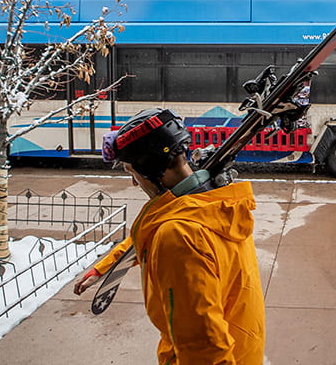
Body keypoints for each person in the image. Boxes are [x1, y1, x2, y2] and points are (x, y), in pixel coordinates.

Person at [74, 107, 265, 365]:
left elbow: (204, 348)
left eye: (132, 171)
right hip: (244, 350)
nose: (134, 182)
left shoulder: (178, 236)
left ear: (149, 168)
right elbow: (148, 235)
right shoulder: (214, 203)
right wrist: (103, 267)